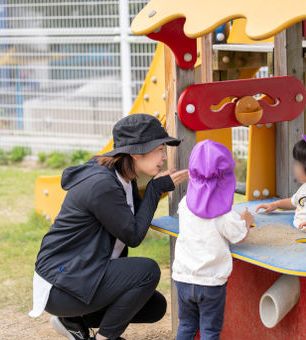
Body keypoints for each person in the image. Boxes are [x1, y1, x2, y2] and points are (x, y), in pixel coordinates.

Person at [29, 114, 189, 340]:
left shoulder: (125, 177)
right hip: (61, 284)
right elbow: (133, 235)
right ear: (135, 151)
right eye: (159, 149)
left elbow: (128, 223)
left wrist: (154, 189)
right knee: (148, 271)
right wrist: (155, 190)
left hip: (82, 274)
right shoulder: (102, 184)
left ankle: (74, 321)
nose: (164, 156)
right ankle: (104, 337)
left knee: (154, 306)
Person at [171, 139, 254, 340]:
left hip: (183, 278)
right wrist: (247, 222)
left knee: (187, 326)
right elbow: (239, 236)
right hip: (210, 282)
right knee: (209, 331)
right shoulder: (224, 214)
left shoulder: (184, 204)